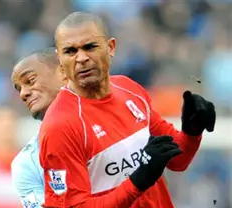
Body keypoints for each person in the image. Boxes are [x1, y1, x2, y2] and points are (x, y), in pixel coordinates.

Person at [39, 12, 216, 208]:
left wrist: (192, 132)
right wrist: (138, 180)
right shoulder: (60, 125)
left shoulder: (129, 89)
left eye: (90, 47)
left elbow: (177, 160)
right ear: (60, 60)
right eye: (70, 51)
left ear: (111, 47)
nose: (81, 58)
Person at [11, 47, 66, 207]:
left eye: (30, 81)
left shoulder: (122, 104)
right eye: (19, 88)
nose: (23, 94)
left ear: (62, 71)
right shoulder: (27, 163)